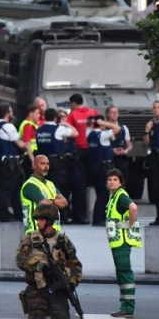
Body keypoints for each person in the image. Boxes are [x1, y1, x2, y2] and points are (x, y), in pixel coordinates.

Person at [16, 203, 83, 319]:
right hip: (36, 291)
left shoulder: (63, 241)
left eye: (42, 219)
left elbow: (75, 264)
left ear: (50, 221)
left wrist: (70, 282)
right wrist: (37, 266)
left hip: (58, 294)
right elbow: (20, 260)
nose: (38, 222)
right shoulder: (30, 239)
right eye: (37, 219)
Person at [105, 168, 142, 317]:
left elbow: (133, 207)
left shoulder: (120, 196)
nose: (112, 182)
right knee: (121, 273)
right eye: (109, 179)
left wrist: (130, 224)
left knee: (125, 273)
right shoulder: (113, 197)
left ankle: (127, 307)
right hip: (117, 242)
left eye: (115, 179)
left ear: (121, 182)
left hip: (121, 242)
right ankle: (125, 306)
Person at [0, 102, 31, 222]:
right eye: (11, 111)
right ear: (7, 114)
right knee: (9, 190)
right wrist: (27, 144)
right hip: (10, 164)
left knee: (8, 189)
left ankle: (15, 214)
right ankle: (5, 214)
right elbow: (20, 144)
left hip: (0, 162)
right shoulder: (8, 127)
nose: (12, 114)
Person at [35, 108, 77, 222]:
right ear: (55, 118)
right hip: (56, 162)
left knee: (45, 189)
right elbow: (75, 133)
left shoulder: (39, 129)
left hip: (42, 161)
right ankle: (62, 216)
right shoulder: (58, 129)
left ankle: (46, 214)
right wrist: (66, 124)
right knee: (58, 189)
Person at [65, 94, 99, 225]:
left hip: (78, 152)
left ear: (73, 103)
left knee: (79, 185)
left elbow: (69, 132)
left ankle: (79, 215)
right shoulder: (93, 112)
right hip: (93, 151)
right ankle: (93, 214)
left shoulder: (73, 114)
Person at [20, 154, 69, 233]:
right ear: (34, 166)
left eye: (47, 164)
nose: (45, 166)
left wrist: (51, 202)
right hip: (36, 232)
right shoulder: (30, 185)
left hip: (53, 232)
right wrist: (55, 202)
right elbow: (43, 203)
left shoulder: (50, 184)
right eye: (42, 164)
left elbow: (65, 202)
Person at [87, 116, 120, 225]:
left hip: (93, 166)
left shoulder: (90, 134)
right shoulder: (103, 135)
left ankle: (98, 218)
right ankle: (99, 218)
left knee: (100, 193)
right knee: (104, 194)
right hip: (103, 167)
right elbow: (117, 128)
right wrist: (106, 123)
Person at [106, 106, 133, 187]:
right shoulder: (104, 128)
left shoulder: (124, 128)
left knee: (123, 181)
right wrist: (111, 150)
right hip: (109, 159)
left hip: (121, 158)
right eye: (112, 112)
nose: (114, 114)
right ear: (107, 114)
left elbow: (129, 144)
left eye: (116, 112)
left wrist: (125, 151)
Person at [18, 103, 40, 177]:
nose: (39, 115)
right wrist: (33, 160)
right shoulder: (28, 125)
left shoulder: (30, 124)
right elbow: (27, 143)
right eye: (37, 113)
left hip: (30, 155)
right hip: (30, 155)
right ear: (31, 113)